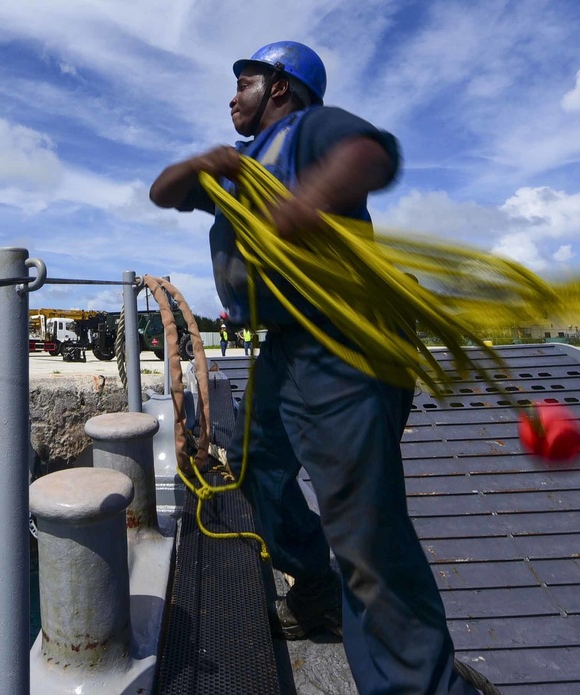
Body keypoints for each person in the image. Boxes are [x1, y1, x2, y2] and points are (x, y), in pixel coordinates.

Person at [149, 41, 482, 694]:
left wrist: (306, 205)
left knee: (368, 540)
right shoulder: (240, 167)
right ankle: (316, 589)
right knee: (257, 468)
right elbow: (165, 193)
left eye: (243, 82)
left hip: (346, 345)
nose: (231, 96)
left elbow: (372, 154)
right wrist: (202, 162)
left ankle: (423, 686)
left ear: (280, 87)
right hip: (287, 349)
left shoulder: (310, 129)